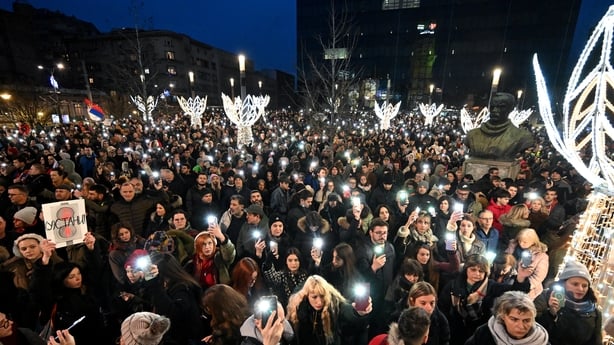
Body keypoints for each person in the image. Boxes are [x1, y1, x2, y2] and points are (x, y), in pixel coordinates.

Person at [438, 254, 532, 345]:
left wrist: (521, 277)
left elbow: (516, 292)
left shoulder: (491, 286)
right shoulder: (452, 285)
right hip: (455, 330)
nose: (477, 274)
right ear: (466, 269)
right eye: (473, 270)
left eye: (481, 271)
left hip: (480, 331)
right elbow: (442, 309)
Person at [286, 275, 371, 345]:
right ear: (307, 295)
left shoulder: (333, 301)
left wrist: (356, 312)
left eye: (322, 296)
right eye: (314, 297)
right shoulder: (298, 306)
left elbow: (345, 309)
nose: (319, 302)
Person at [143, 253, 205, 345]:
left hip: (185, 339)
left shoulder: (182, 288)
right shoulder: (165, 284)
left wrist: (153, 284)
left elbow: (173, 313)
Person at [534, 261, 602, 345]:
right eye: (575, 284)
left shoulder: (595, 312)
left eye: (584, 286)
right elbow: (532, 327)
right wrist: (551, 313)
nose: (580, 289)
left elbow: (596, 341)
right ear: (563, 283)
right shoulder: (546, 297)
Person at [465, 92, 534, 160]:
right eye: (492, 106)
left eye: (501, 107)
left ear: (510, 109)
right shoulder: (472, 135)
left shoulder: (522, 136)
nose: (495, 110)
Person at [464, 290, 549, 345]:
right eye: (514, 319)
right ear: (503, 316)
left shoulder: (542, 341)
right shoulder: (484, 334)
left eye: (526, 320)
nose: (521, 326)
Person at [505, 228, 548, 299]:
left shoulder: (541, 256)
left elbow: (539, 276)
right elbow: (506, 258)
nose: (521, 244)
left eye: (525, 242)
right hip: (508, 280)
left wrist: (525, 285)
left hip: (526, 287)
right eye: (519, 241)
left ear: (533, 242)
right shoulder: (513, 246)